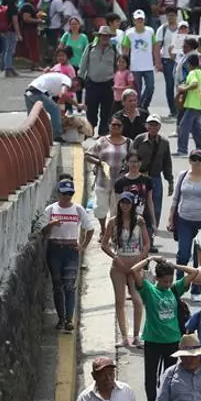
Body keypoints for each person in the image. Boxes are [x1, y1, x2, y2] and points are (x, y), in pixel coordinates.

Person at [130, 256, 198, 401]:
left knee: (170, 376)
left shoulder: (174, 290)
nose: (167, 284)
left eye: (169, 280)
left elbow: (194, 272)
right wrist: (151, 258)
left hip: (172, 341)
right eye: (164, 281)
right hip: (153, 340)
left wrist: (175, 266)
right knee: (151, 375)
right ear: (156, 278)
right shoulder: (148, 290)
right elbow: (134, 270)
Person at [42, 179, 95, 331]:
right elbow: (43, 232)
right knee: (57, 286)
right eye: (64, 194)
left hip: (71, 250)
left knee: (69, 286)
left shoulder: (78, 209)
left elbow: (89, 228)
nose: (67, 197)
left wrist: (82, 246)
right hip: (54, 250)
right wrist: (51, 224)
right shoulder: (51, 209)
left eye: (70, 194)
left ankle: (69, 319)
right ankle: (61, 318)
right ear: (59, 193)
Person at [100, 192, 150, 348]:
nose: (125, 206)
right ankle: (124, 337)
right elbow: (104, 244)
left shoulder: (139, 221)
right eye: (122, 203)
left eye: (128, 203)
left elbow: (147, 243)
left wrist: (141, 258)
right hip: (119, 266)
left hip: (135, 266)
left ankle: (136, 336)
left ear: (132, 205)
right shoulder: (113, 222)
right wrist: (115, 258)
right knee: (119, 301)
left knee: (137, 300)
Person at [168, 149, 201, 302]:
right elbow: (176, 198)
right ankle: (179, 285)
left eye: (200, 159)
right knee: (183, 253)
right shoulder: (183, 175)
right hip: (184, 219)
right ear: (189, 160)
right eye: (194, 159)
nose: (196, 162)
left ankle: (196, 288)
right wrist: (170, 218)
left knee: (198, 257)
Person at [132, 114, 174, 252]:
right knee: (136, 208)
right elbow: (130, 158)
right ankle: (134, 239)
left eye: (155, 125)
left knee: (154, 210)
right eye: (150, 124)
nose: (153, 127)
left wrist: (170, 181)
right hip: (139, 177)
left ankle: (149, 241)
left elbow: (167, 163)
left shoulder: (164, 143)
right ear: (146, 126)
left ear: (160, 127)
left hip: (155, 179)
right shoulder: (139, 139)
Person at [85, 115, 131, 235]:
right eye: (113, 124)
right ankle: (103, 230)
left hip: (120, 183)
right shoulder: (101, 141)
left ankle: (113, 232)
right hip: (102, 181)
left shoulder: (128, 142)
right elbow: (88, 155)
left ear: (122, 127)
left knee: (116, 210)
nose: (116, 127)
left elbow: (133, 159)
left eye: (118, 125)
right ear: (109, 126)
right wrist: (99, 163)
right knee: (101, 208)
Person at [80, 25, 118, 136]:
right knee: (90, 109)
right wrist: (80, 78)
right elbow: (83, 63)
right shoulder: (90, 47)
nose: (105, 38)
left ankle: (103, 133)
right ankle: (90, 129)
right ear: (99, 36)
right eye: (103, 36)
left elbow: (118, 65)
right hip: (92, 83)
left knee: (107, 111)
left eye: (107, 36)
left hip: (108, 84)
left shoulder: (114, 49)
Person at [122, 9, 160, 109]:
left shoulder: (150, 31)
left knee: (150, 87)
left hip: (148, 65)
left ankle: (144, 105)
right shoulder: (129, 33)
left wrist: (157, 62)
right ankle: (138, 107)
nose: (140, 21)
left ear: (144, 20)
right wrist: (125, 65)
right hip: (135, 66)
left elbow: (155, 47)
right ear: (134, 21)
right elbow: (125, 50)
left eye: (141, 19)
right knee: (137, 89)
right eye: (137, 20)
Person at [114, 151, 155, 244]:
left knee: (145, 247)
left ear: (140, 163)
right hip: (126, 221)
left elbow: (149, 201)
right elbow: (116, 203)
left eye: (137, 161)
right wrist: (115, 223)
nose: (134, 164)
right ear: (127, 163)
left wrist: (153, 223)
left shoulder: (147, 180)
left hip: (144, 219)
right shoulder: (120, 182)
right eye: (131, 161)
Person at [73, 357, 140, 401]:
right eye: (103, 375)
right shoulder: (84, 398)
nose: (108, 378)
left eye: (111, 373)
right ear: (94, 376)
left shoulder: (126, 391)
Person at [25, 71, 71, 141]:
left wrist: (61, 115)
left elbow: (59, 101)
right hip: (37, 92)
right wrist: (77, 105)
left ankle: (31, 137)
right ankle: (56, 136)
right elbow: (63, 94)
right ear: (77, 84)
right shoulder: (67, 80)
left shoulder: (56, 83)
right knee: (55, 110)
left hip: (28, 92)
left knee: (33, 118)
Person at [176, 54, 201, 154]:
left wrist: (183, 88)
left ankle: (182, 149)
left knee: (183, 127)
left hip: (192, 104)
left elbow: (194, 84)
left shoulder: (193, 73)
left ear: (189, 64)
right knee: (195, 129)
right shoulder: (200, 72)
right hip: (197, 104)